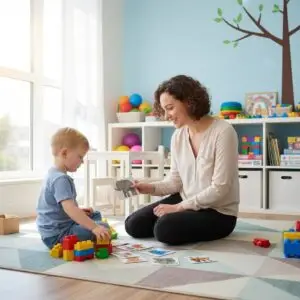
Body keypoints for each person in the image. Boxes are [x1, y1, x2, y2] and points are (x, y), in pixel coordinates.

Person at [125, 75, 240, 245]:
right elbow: (175, 182)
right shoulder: (178, 136)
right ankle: (178, 221)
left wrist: (178, 208)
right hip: (185, 200)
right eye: (164, 110)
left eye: (170, 108)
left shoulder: (223, 132)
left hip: (218, 212)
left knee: (164, 229)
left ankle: (176, 222)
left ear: (189, 102)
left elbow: (220, 188)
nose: (166, 116)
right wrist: (148, 187)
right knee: (133, 224)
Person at [36, 127, 111, 249]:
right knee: (103, 226)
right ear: (64, 153)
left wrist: (80, 211)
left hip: (53, 231)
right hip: (59, 236)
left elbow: (62, 209)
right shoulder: (60, 179)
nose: (82, 162)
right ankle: (97, 231)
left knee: (95, 214)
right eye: (80, 157)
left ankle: (94, 227)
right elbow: (70, 209)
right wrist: (95, 227)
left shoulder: (52, 173)